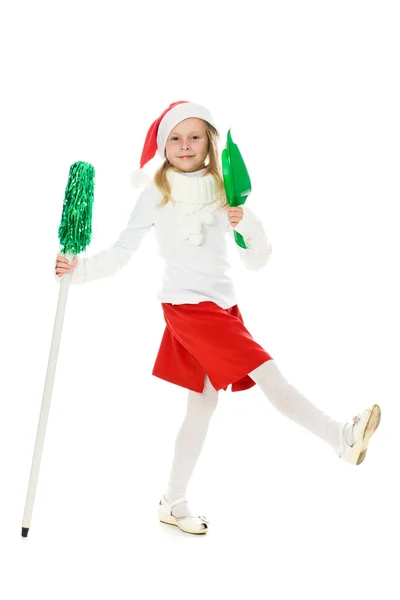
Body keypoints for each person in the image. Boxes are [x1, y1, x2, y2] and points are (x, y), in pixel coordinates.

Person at [55, 100, 381, 536]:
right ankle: (340, 437)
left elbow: (257, 260)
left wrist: (248, 224)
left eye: (194, 136)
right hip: (188, 309)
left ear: (209, 141)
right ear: (162, 143)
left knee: (203, 404)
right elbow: (122, 250)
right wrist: (80, 271)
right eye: (175, 137)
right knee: (267, 371)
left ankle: (172, 500)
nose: (184, 145)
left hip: (222, 306)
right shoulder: (155, 192)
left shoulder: (222, 187)